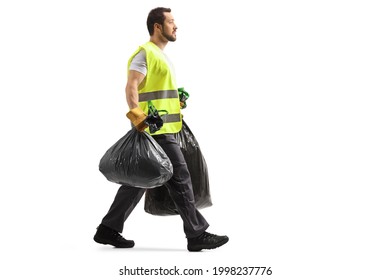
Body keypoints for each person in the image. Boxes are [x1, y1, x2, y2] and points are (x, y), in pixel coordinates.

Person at [93, 7, 228, 252]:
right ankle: (196, 234)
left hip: (165, 125)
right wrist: (139, 118)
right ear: (157, 26)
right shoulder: (144, 53)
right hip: (155, 128)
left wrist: (176, 101)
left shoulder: (160, 55)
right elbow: (131, 87)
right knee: (180, 177)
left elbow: (153, 91)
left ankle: (108, 229)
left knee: (139, 180)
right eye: (171, 22)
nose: (176, 26)